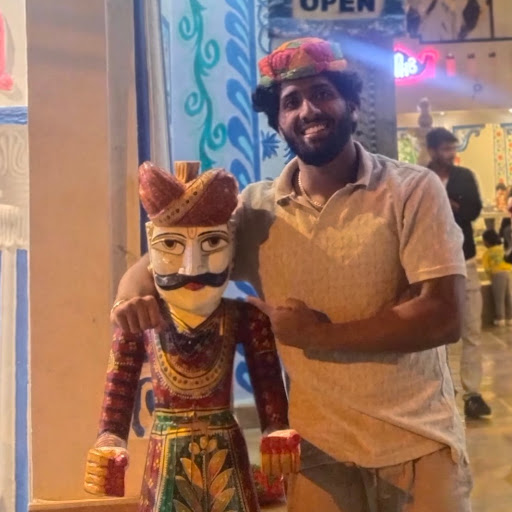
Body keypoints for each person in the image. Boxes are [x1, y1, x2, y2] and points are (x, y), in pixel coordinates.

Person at [112, 38, 472, 511]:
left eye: (322, 93)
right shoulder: (257, 210)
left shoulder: (411, 190)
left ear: (351, 103)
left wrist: (319, 336)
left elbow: (444, 316)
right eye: (291, 102)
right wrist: (131, 299)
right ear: (277, 121)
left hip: (417, 443)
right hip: (317, 451)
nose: (308, 110)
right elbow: (157, 263)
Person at [84, 161, 297, 511]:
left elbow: (268, 384)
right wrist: (110, 441)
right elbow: (118, 395)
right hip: (166, 459)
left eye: (212, 242)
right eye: (171, 245)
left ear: (232, 248)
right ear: (152, 248)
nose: (192, 267)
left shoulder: (245, 317)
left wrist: (276, 429)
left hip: (227, 457)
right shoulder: (140, 319)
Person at [427, 127, 491, 419]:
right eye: (445, 149)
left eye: (453, 148)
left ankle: (473, 393)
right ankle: (442, 391)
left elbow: (472, 211)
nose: (451, 154)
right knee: (435, 333)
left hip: (466, 259)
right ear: (432, 150)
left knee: (472, 329)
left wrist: (449, 206)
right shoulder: (423, 178)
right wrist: (449, 205)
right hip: (433, 264)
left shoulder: (465, 176)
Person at [481, 229, 512, 327]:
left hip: (497, 275)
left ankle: (500, 318)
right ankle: (510, 318)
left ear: (487, 241)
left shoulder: (487, 253)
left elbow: (487, 268)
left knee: (499, 298)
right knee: (508, 296)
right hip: (507, 273)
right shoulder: (502, 249)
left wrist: (490, 277)